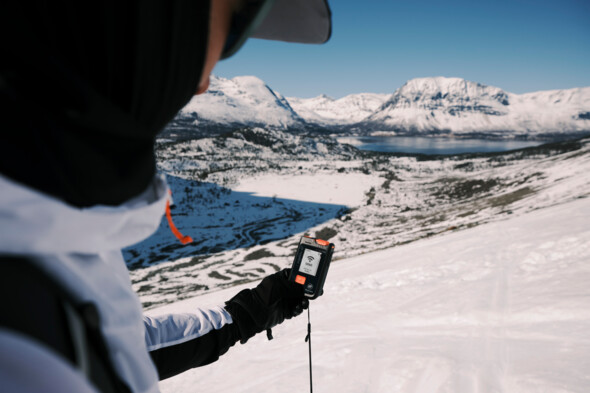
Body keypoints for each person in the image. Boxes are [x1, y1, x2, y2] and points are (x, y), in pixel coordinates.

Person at [0, 1, 332, 392]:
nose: (203, 83)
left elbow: (124, 347)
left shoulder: (53, 236)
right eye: (230, 35)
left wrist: (248, 314)